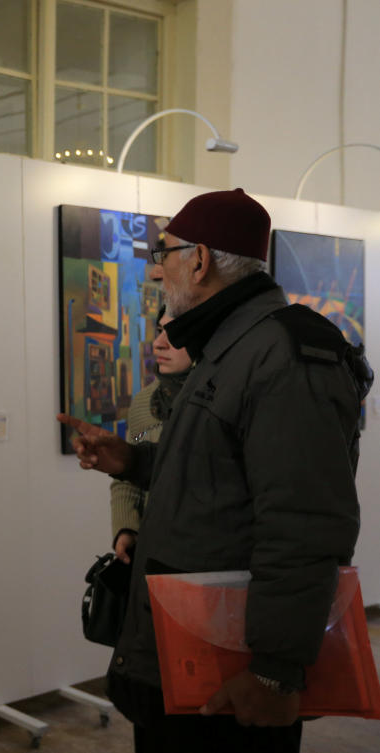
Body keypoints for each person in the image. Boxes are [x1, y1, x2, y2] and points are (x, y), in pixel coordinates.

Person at [58, 188, 371, 752]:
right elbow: (220, 478)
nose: (157, 273)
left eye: (164, 253)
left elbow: (304, 524)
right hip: (194, 657)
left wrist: (275, 671)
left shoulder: (281, 355)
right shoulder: (232, 349)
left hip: (233, 672)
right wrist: (131, 460)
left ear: (199, 260)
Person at [108, 307, 192, 564]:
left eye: (174, 334)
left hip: (202, 555)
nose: (158, 344)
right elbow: (128, 476)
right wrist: (126, 528)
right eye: (159, 331)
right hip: (151, 551)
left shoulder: (219, 399)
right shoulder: (145, 401)